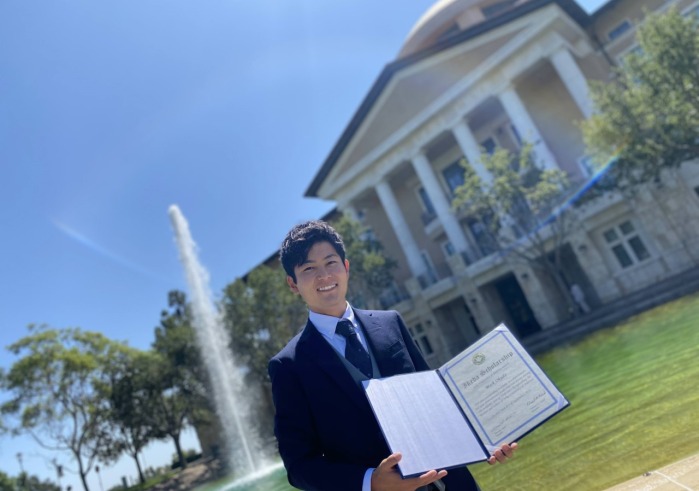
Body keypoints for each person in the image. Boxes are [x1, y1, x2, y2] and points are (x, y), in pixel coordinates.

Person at [268, 220, 516, 491]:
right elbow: (299, 465)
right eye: (308, 269)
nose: (324, 276)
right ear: (293, 284)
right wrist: (369, 482)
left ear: (346, 267)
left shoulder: (391, 323)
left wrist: (481, 441)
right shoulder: (288, 365)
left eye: (330, 263)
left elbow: (436, 400)